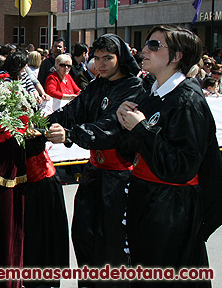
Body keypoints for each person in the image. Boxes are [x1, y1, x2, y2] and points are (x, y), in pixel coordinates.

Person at [116, 26, 222, 287]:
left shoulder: (188, 100)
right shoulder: (152, 94)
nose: (144, 50)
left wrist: (141, 129)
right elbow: (128, 152)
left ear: (176, 56)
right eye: (146, 45)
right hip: (147, 200)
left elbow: (182, 166)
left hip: (172, 208)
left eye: (154, 46)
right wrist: (125, 123)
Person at [47, 34, 143, 288]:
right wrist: (38, 124)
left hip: (120, 179)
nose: (100, 64)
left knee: (112, 244)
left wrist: (70, 135)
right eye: (96, 58)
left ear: (121, 58)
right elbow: (71, 111)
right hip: (93, 175)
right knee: (84, 234)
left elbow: (110, 128)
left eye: (107, 58)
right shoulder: (96, 85)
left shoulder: (133, 87)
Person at [3, 53, 68, 288]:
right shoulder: (8, 94)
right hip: (27, 183)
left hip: (41, 182)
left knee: (41, 240)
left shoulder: (35, 118)